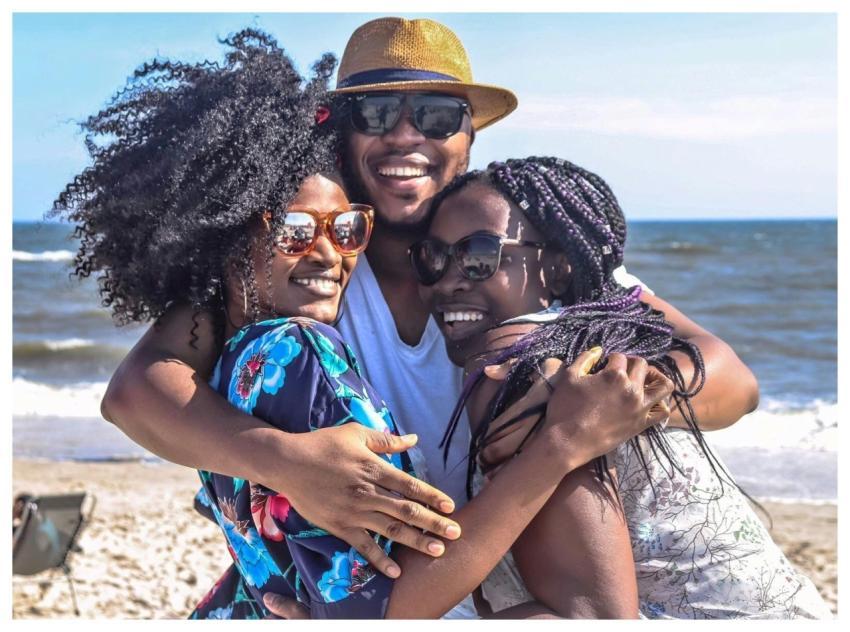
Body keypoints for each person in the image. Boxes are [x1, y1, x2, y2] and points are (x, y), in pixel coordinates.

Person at [96, 16, 759, 604]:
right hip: (418, 589)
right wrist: (286, 462)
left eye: (438, 116)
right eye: (377, 113)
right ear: (338, 130)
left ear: (469, 137)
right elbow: (137, 393)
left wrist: (591, 403)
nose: (406, 136)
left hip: (529, 585)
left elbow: (730, 378)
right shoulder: (313, 263)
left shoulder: (521, 257)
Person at [413, 156, 831, 619]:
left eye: (478, 256)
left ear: (559, 267)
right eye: (432, 258)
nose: (448, 280)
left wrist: (619, 399)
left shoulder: (518, 369)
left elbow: (596, 619)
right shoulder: (606, 332)